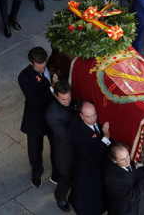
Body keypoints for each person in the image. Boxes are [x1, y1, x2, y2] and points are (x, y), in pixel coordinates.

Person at [18, 46, 59, 188]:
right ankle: (36, 172)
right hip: (36, 118)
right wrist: (52, 88)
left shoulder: (51, 66)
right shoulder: (24, 77)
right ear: (31, 63)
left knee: (56, 146)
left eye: (44, 66)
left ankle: (57, 172)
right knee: (35, 149)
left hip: (52, 117)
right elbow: (34, 101)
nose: (42, 69)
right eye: (39, 67)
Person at [70, 101, 111, 215]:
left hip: (100, 166)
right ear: (81, 116)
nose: (93, 119)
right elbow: (92, 156)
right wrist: (106, 138)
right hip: (87, 169)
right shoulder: (78, 132)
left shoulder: (98, 122)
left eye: (94, 115)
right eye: (88, 117)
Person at [46, 80, 77, 212]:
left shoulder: (72, 100)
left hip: (77, 145)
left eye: (69, 97)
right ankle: (60, 197)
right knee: (66, 176)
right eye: (63, 99)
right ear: (56, 96)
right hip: (65, 150)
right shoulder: (52, 114)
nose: (67, 101)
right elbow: (65, 136)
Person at [104, 142, 144, 215]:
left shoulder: (133, 162)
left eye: (127, 156)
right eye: (122, 159)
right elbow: (132, 195)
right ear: (114, 160)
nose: (127, 161)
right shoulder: (111, 177)